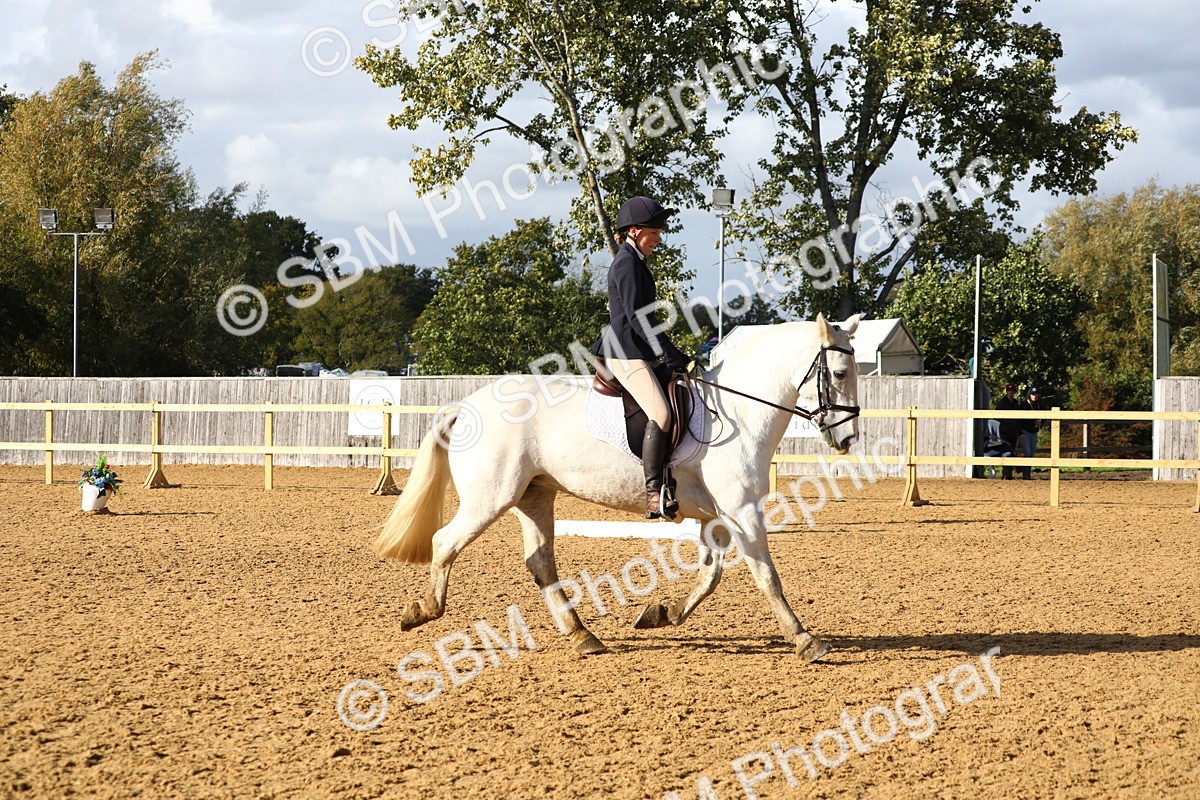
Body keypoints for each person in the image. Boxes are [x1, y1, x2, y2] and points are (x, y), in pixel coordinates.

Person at [592, 196, 691, 519]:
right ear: (634, 230)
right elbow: (638, 318)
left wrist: (669, 350)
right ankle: (652, 493)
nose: (659, 238)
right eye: (654, 232)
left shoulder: (635, 261)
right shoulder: (627, 263)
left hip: (638, 350)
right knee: (661, 414)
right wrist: (666, 351)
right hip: (625, 352)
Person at [993, 382, 1023, 480]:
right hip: (1004, 431)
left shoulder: (1016, 403)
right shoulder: (1002, 403)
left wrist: (1019, 432)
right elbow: (997, 417)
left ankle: (1009, 472)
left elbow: (1018, 419)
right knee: (1007, 451)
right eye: (1009, 390)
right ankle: (1006, 472)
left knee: (1012, 450)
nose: (1011, 392)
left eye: (1012, 390)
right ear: (1007, 391)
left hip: (1013, 431)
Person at [1017, 386, 1043, 479]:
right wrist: (1020, 433)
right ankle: (1025, 475)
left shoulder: (1039, 405)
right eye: (1033, 394)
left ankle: (1025, 471)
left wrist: (1041, 423)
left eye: (1036, 394)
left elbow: (1044, 416)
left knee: (1031, 453)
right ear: (1029, 395)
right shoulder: (1023, 405)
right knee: (1027, 452)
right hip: (1025, 432)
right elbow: (1017, 420)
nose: (1034, 396)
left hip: (1034, 432)